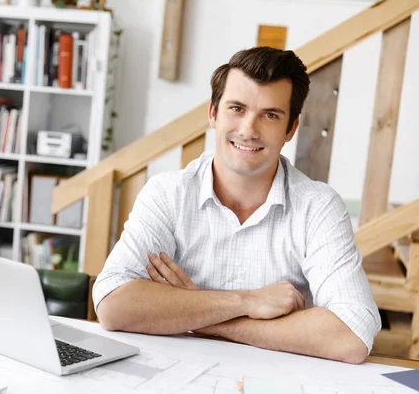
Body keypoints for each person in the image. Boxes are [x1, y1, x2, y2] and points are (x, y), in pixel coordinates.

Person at [92, 47, 381, 365]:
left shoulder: (319, 207)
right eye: (237, 108)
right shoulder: (167, 193)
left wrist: (206, 317)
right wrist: (248, 301)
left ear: (291, 129)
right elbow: (113, 303)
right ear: (213, 113)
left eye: (270, 115)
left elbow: (352, 336)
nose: (249, 130)